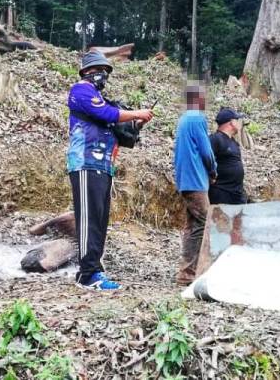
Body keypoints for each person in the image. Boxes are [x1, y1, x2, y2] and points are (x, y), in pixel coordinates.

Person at [67, 51, 153, 290]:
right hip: (85, 162)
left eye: (105, 71)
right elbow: (107, 114)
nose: (102, 75)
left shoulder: (101, 99)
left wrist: (136, 123)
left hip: (104, 166)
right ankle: (87, 274)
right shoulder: (81, 90)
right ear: (86, 72)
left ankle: (94, 268)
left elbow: (124, 134)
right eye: (97, 70)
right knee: (89, 218)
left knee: (100, 219)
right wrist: (136, 112)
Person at [173, 83, 217, 286]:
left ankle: (187, 273)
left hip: (185, 179)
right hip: (196, 179)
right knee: (203, 223)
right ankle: (193, 272)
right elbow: (206, 151)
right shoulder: (197, 118)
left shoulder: (183, 120)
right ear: (198, 99)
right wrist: (213, 170)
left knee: (192, 226)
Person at [209, 107, 247, 205]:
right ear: (231, 122)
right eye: (237, 120)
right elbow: (206, 160)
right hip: (221, 193)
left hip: (237, 194)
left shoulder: (233, 141)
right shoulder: (215, 139)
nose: (239, 123)